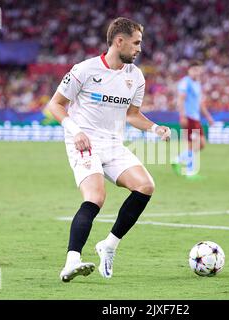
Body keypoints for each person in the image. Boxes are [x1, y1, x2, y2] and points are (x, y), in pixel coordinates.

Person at [47, 17, 171, 282]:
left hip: (114, 145)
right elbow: (55, 105)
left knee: (146, 186)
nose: (139, 49)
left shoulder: (135, 77)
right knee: (96, 197)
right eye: (136, 43)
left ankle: (109, 245)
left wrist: (155, 128)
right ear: (119, 41)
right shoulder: (84, 69)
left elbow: (133, 114)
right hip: (84, 142)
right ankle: (72, 261)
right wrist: (75, 130)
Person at [172, 60, 214, 177]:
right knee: (193, 144)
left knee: (201, 144)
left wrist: (209, 117)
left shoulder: (197, 84)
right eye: (194, 70)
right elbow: (180, 100)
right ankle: (190, 171)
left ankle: (179, 159)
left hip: (196, 118)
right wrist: (183, 116)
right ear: (189, 70)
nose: (196, 72)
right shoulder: (186, 82)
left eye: (198, 70)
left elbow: (200, 103)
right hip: (189, 117)